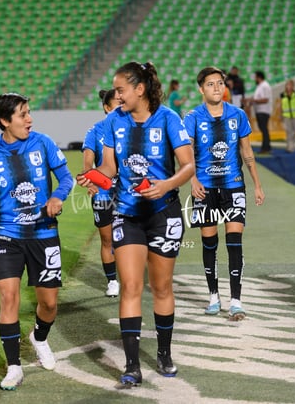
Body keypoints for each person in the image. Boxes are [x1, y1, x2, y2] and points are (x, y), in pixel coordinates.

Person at [77, 62, 194, 387]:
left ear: (139, 89)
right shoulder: (113, 121)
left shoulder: (169, 117)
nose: (117, 95)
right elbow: (110, 168)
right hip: (126, 214)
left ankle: (164, 354)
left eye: (121, 89)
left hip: (163, 213)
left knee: (161, 287)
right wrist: (94, 178)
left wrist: (167, 185)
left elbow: (188, 165)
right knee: (130, 287)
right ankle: (131, 366)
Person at [0, 93, 73, 390]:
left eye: (29, 113)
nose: (30, 119)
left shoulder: (43, 142)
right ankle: (14, 366)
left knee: (49, 303)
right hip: (6, 234)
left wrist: (57, 196)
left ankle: (38, 338)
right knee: (8, 297)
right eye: (23, 114)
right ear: (5, 121)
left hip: (43, 233)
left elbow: (66, 178)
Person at [184, 66, 265, 321]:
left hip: (233, 185)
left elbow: (247, 152)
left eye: (220, 83)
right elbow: (186, 156)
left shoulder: (238, 115)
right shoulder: (193, 117)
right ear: (201, 89)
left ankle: (236, 301)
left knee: (234, 243)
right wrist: (193, 180)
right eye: (210, 84)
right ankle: (213, 296)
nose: (217, 87)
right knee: (210, 243)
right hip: (205, 189)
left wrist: (257, 184)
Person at [82, 89, 120, 297]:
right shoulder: (95, 131)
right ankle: (112, 281)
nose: (122, 105)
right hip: (104, 193)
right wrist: (90, 179)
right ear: (107, 107)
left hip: (129, 192)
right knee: (107, 240)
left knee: (131, 237)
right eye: (117, 102)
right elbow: (88, 161)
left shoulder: (131, 127)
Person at [248, 71, 273, 154]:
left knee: (264, 129)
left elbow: (265, 99)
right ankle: (266, 146)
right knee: (263, 129)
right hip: (259, 110)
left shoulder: (265, 86)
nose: (255, 79)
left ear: (259, 77)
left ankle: (266, 147)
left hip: (263, 110)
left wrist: (253, 100)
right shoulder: (260, 86)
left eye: (255, 77)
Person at [279, 79, 295, 153]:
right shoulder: (282, 95)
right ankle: (290, 147)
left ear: (293, 86)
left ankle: (291, 145)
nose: (289, 86)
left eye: (290, 85)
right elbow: (281, 105)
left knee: (294, 131)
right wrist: (280, 114)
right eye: (288, 85)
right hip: (286, 115)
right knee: (289, 131)